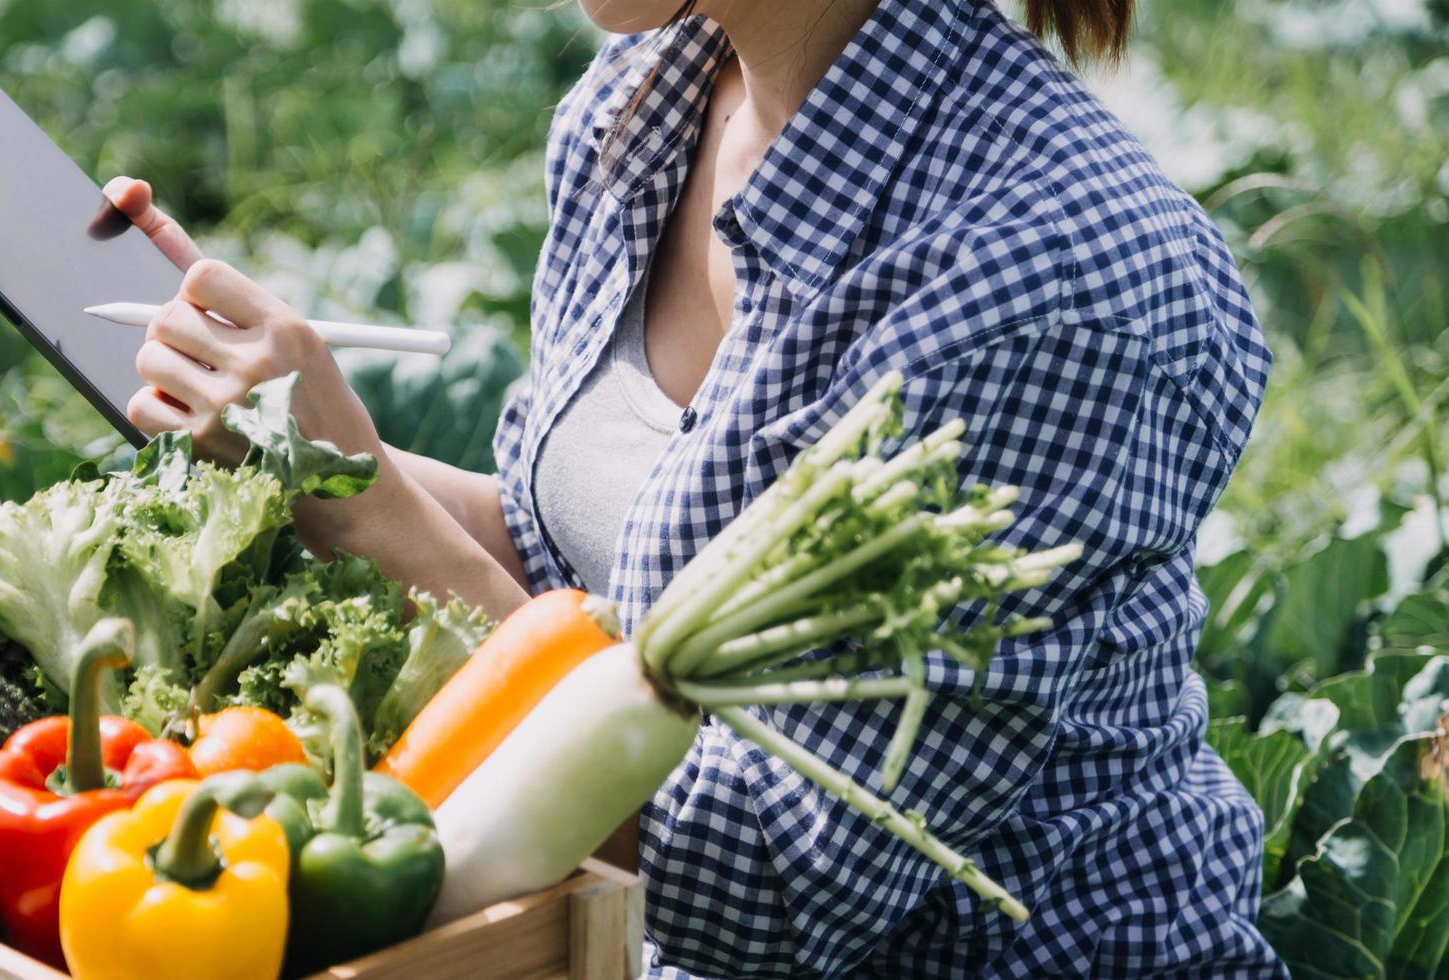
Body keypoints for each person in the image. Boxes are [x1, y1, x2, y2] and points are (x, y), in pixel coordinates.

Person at [110, 0, 1276, 973]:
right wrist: (293, 441)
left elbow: (769, 878)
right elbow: (570, 579)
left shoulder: (1049, 279)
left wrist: (363, 507)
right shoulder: (646, 98)